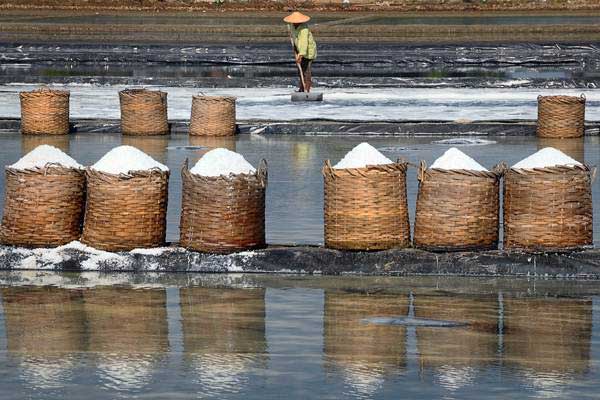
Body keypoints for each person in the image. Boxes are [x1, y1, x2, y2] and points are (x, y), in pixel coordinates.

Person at [283, 11, 317, 93]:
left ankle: (307, 90)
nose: (294, 23)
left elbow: (304, 43)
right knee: (300, 70)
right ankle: (302, 88)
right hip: (299, 49)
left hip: (308, 52)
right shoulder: (291, 26)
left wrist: (301, 55)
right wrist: (295, 48)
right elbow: (294, 37)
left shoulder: (304, 29)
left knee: (306, 71)